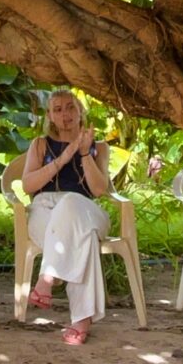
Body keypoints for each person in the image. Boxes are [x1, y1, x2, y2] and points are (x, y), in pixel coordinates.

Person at [20, 89, 110, 346]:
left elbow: (99, 190)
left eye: (70, 107)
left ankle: (47, 277)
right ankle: (82, 320)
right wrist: (64, 158)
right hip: (44, 210)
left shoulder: (98, 147)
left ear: (80, 110)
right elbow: (28, 186)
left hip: (85, 210)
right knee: (86, 240)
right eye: (57, 109)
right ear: (49, 115)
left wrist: (83, 154)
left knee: (71, 202)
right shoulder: (39, 145)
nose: (65, 114)